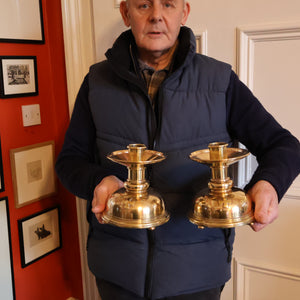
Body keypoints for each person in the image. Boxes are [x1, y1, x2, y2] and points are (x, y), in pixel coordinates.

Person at [55, 0, 300, 299]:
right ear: (125, 13)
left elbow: (284, 146)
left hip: (197, 274)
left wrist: (267, 185)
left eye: (168, 4)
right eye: (143, 4)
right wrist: (99, 181)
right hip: (117, 270)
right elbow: (69, 161)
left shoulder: (220, 81)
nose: (156, 15)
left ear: (183, 13)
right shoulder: (96, 82)